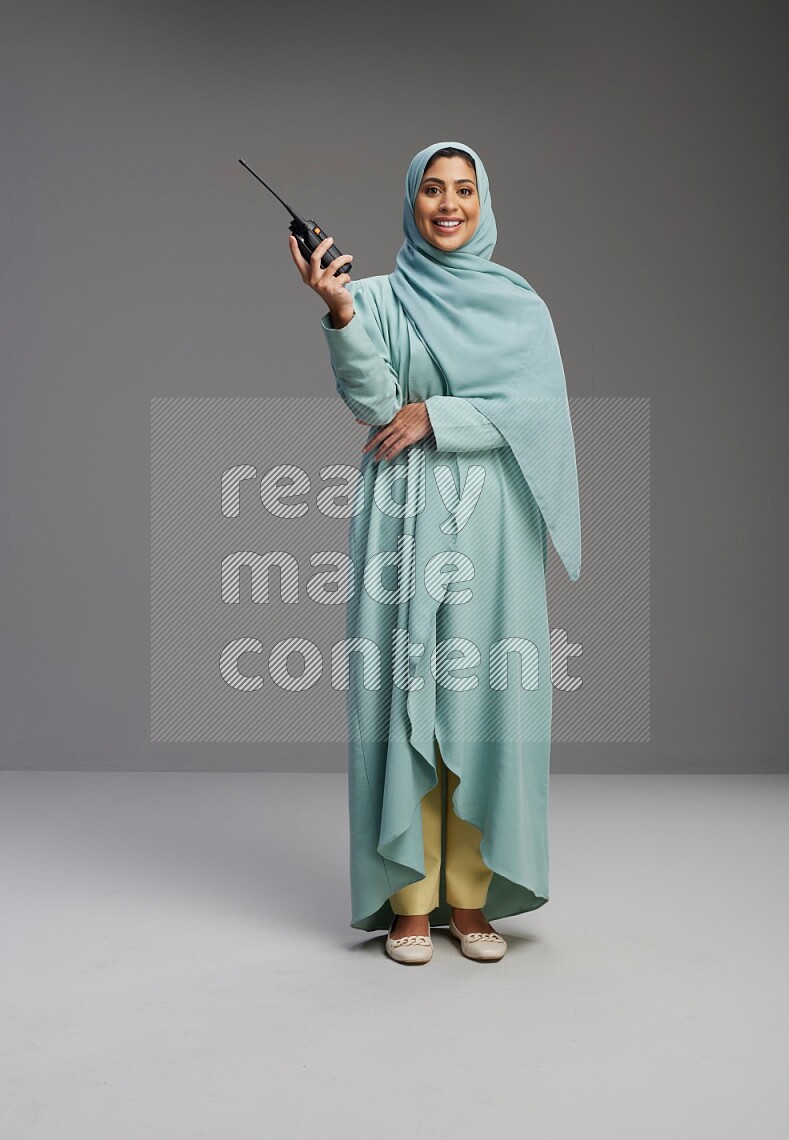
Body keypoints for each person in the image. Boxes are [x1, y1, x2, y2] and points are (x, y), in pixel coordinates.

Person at [289, 141, 581, 964]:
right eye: (431, 189)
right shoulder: (377, 298)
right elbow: (372, 402)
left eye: (463, 190)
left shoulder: (520, 307)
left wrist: (435, 418)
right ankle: (410, 901)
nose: (447, 204)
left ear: (484, 201)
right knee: (402, 697)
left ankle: (471, 899)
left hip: (494, 524)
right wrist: (341, 311)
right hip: (402, 515)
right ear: (410, 202)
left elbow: (537, 417)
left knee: (484, 705)